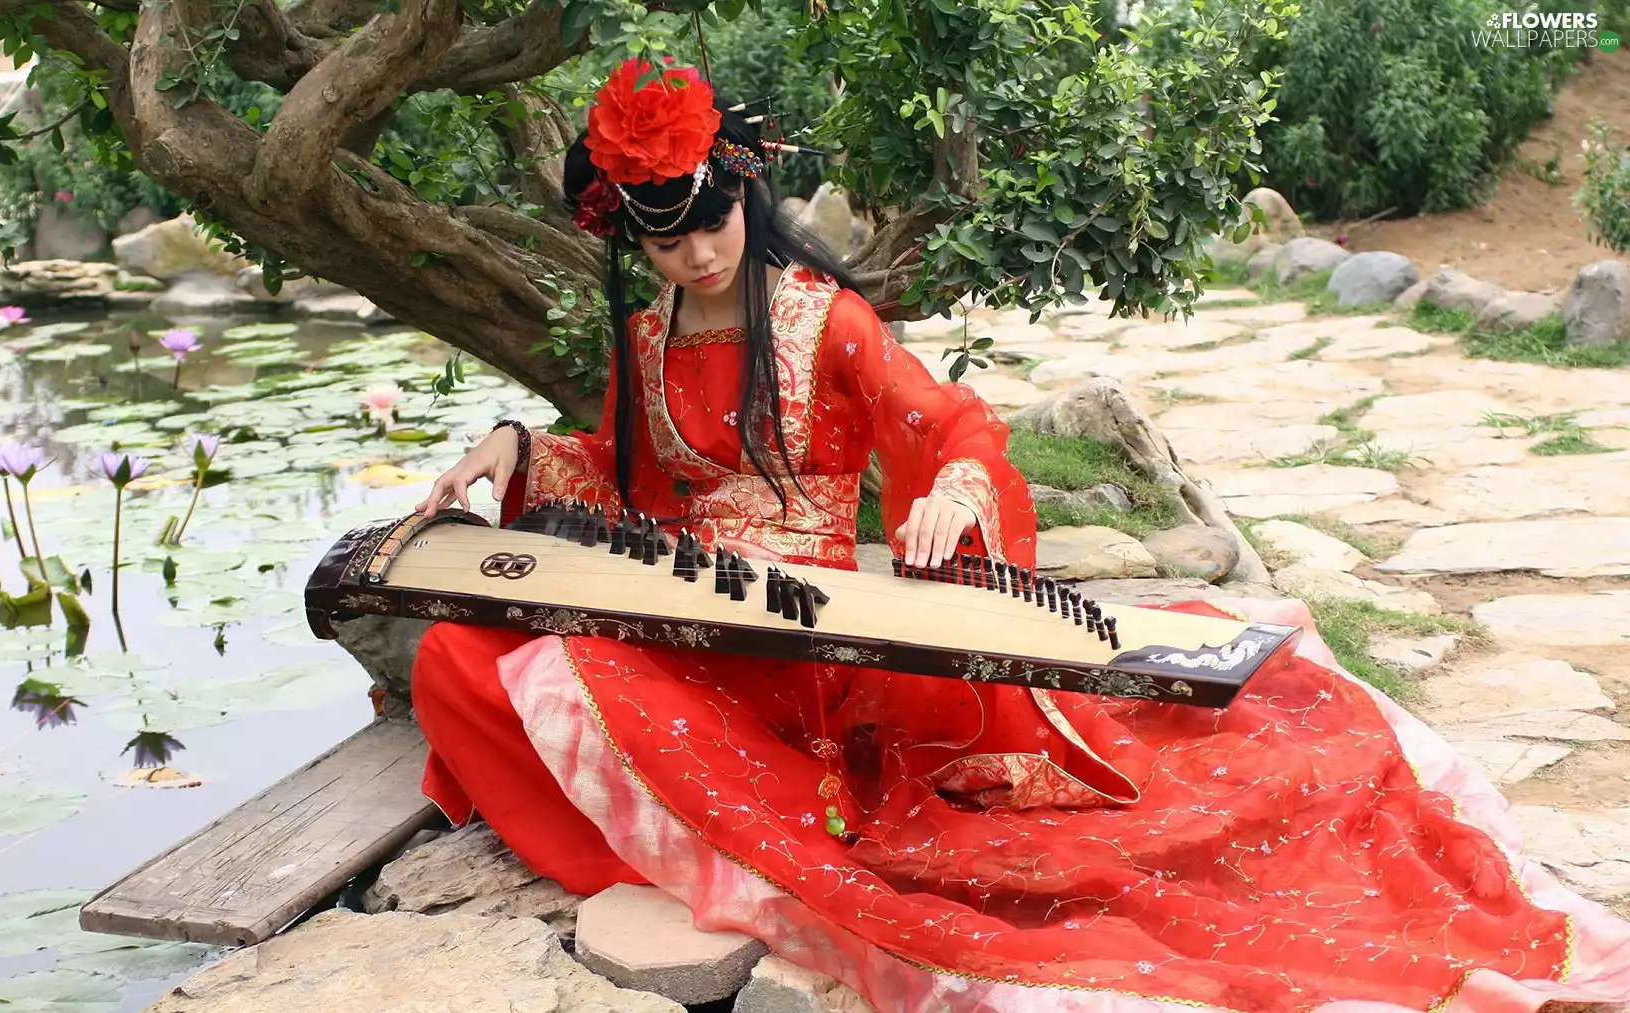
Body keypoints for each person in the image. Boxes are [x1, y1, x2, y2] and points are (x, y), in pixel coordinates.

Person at [408, 59, 1630, 1012]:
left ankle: (683, 831)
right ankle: (652, 837)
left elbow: (956, 426)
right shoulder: (644, 343)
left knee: (567, 670)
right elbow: (627, 494)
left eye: (714, 216)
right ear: (633, 240)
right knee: (458, 653)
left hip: (821, 630)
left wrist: (953, 493)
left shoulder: (824, 321)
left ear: (745, 186)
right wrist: (522, 449)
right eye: (666, 237)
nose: (698, 248)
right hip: (701, 600)